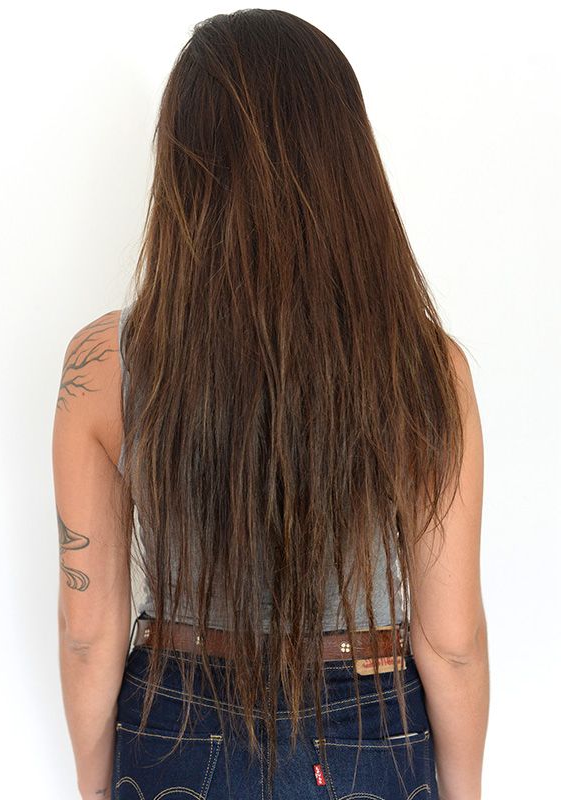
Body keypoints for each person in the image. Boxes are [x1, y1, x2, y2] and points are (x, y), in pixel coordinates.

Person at [52, 9, 489, 800]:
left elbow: (89, 633)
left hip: (172, 726)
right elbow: (451, 642)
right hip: (369, 729)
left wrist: (95, 785)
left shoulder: (105, 363)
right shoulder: (426, 367)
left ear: (184, 163)